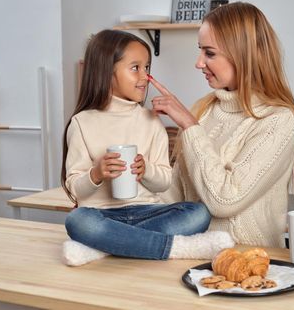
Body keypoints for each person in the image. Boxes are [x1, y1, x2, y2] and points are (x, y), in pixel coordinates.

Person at [61, 29, 233, 266]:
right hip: (102, 215)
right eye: (135, 68)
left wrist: (147, 171)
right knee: (78, 221)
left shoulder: (152, 120)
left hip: (148, 212)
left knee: (198, 213)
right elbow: (75, 189)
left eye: (147, 68)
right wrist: (96, 173)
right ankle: (174, 249)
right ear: (106, 72)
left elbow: (163, 182)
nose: (146, 77)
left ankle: (105, 246)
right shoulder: (82, 123)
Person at [149, 2, 294, 248]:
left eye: (209, 53)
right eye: (200, 51)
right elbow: (175, 196)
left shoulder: (279, 121)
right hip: (192, 259)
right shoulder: (204, 109)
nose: (199, 63)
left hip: (251, 267)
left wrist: (190, 127)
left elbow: (224, 201)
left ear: (243, 55)